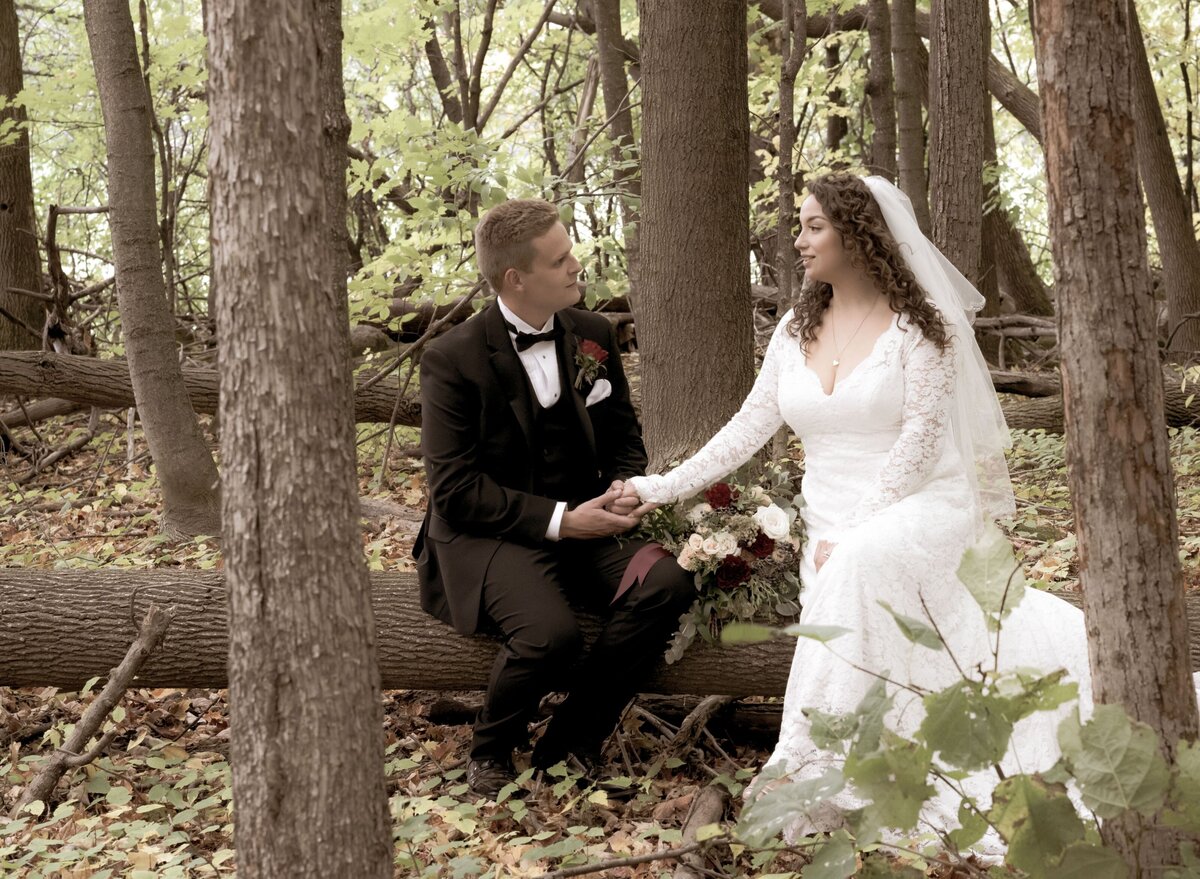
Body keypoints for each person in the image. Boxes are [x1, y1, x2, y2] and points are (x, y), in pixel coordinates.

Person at [624, 173, 1200, 852]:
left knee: (862, 562)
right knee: (853, 572)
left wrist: (861, 529)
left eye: (813, 227)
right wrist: (657, 488)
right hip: (832, 518)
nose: (799, 240)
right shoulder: (794, 326)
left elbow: (921, 439)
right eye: (800, 225)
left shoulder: (919, 325)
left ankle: (821, 776)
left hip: (923, 504)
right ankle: (855, 767)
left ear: (859, 234)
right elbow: (748, 426)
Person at [414, 198, 694, 799]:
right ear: (516, 278)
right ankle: (490, 750)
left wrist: (624, 486)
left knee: (665, 583)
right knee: (550, 635)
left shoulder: (592, 334)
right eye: (560, 259)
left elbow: (623, 437)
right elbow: (455, 491)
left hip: (589, 518)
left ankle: (570, 741)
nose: (576, 265)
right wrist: (563, 522)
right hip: (491, 533)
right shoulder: (451, 358)